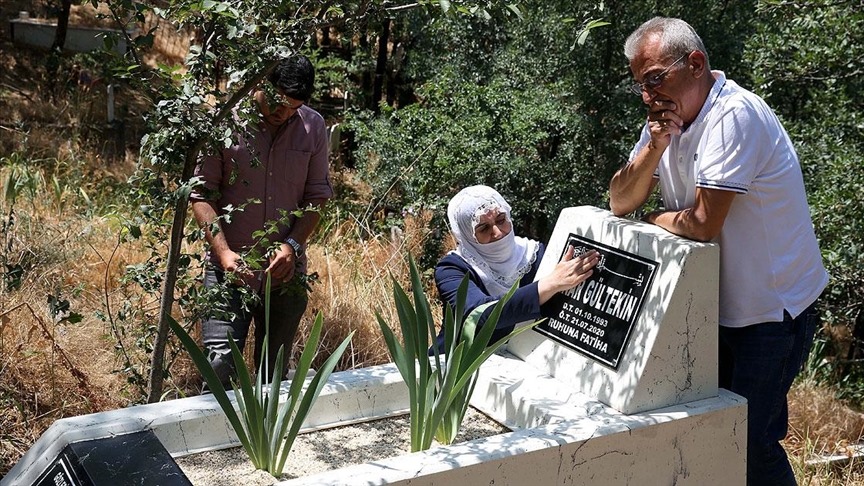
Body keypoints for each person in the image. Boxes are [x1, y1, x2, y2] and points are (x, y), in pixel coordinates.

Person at [609, 17, 828, 485]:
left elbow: (704, 224)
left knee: (750, 445)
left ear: (695, 63)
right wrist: (654, 146)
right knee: (715, 437)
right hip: (713, 307)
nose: (648, 96)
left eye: (654, 79)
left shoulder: (733, 115)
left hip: (769, 311)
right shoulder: (666, 122)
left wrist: (653, 221)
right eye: (640, 86)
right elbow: (619, 200)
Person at [189, 55, 332, 387]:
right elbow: (201, 194)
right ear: (262, 83)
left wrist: (293, 245)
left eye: (293, 108)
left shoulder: (313, 128)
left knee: (274, 376)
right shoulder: (224, 121)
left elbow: (317, 197)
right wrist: (223, 253)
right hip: (228, 272)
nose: (283, 114)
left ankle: (265, 439)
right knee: (219, 366)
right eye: (280, 103)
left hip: (285, 274)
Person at [432, 185, 599, 353]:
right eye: (484, 228)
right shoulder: (451, 269)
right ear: (467, 236)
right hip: (457, 367)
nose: (497, 232)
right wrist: (549, 284)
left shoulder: (536, 254)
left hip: (521, 359)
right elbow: (479, 315)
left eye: (500, 220)